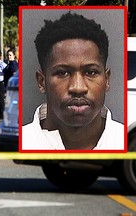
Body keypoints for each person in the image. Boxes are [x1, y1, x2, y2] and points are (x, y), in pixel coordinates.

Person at [22, 12, 124, 150]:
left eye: (91, 72)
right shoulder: (21, 142)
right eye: (62, 73)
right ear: (42, 82)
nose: (78, 87)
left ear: (107, 79)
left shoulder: (126, 141)